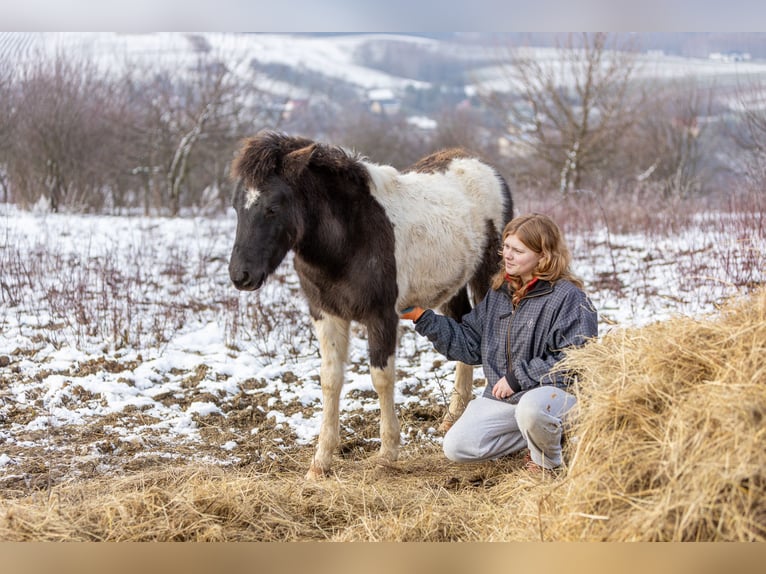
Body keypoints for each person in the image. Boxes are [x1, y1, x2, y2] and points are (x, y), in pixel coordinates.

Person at [400, 213, 598, 471]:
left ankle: (548, 463)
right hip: (507, 400)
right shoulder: (501, 294)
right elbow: (469, 345)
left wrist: (518, 378)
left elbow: (575, 359)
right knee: (457, 446)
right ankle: (536, 435)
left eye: (518, 250)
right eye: (506, 246)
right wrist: (421, 317)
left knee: (531, 409)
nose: (508, 255)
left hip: (555, 398)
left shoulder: (569, 298)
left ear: (544, 255)